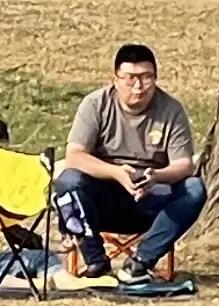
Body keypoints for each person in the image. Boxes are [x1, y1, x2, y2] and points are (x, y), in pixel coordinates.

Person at [55, 42, 206, 282]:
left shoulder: (171, 109)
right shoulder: (95, 105)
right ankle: (95, 261)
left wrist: (156, 176)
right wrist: (115, 173)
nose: (139, 87)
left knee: (194, 189)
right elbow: (75, 155)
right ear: (115, 79)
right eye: (130, 78)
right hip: (101, 201)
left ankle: (141, 262)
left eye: (147, 78)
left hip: (149, 200)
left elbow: (184, 165)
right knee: (68, 181)